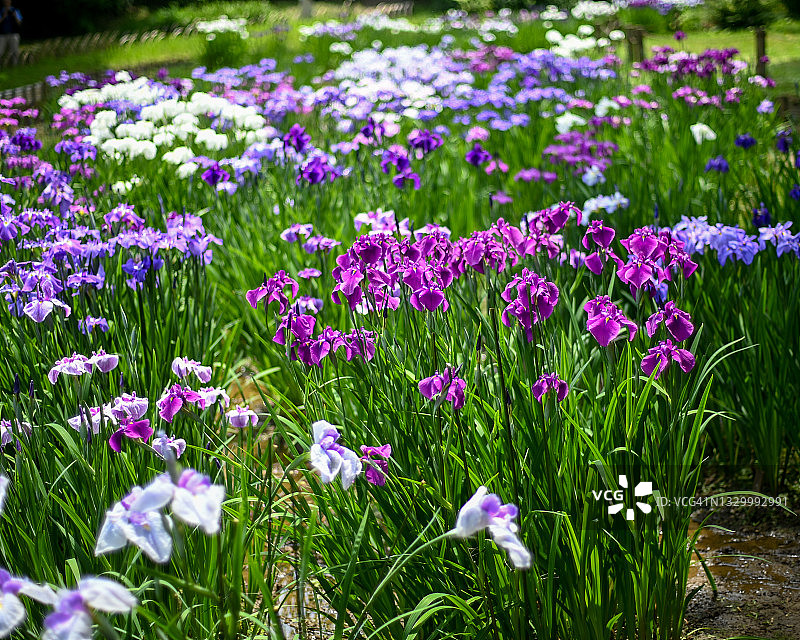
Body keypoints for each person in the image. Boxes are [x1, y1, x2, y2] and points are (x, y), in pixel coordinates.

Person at [0, 0, 22, 67]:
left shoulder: (15, 10)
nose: (7, 2)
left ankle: (14, 66)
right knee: (0, 51)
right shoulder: (1, 11)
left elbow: (19, 23)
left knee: (15, 51)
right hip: (2, 34)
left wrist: (15, 16)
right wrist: (4, 16)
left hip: (14, 34)